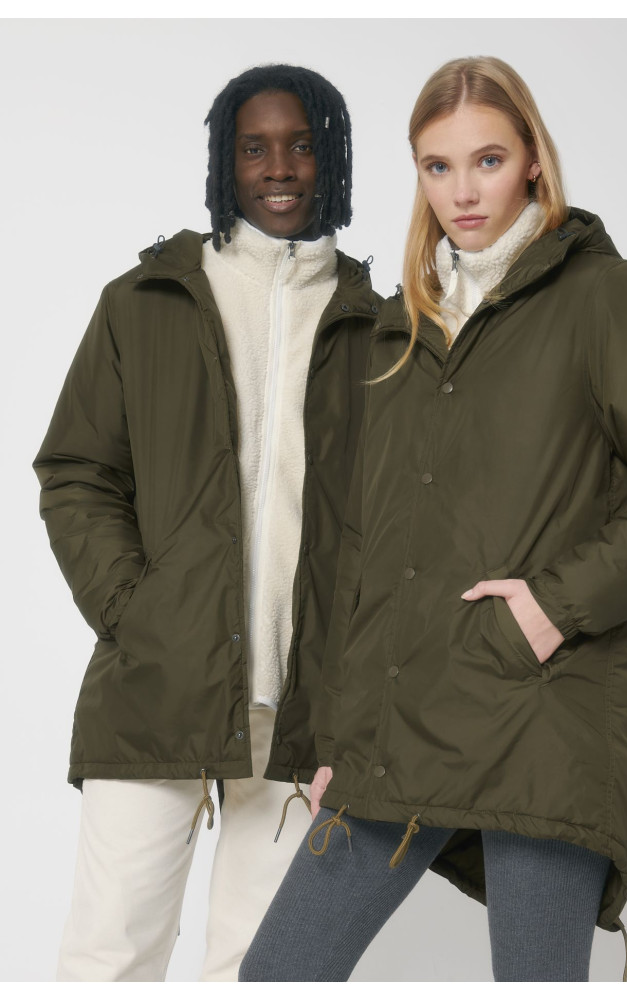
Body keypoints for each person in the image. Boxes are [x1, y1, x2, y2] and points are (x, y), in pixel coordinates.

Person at [238, 56, 627, 983]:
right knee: (278, 973)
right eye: (437, 166)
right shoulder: (399, 327)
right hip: (398, 720)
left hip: (537, 719)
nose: (463, 192)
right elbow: (358, 548)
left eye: (487, 160)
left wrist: (551, 606)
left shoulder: (598, 296)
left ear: (532, 163)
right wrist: (331, 737)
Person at [33, 64, 380, 982]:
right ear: (225, 162)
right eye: (254, 147)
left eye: (301, 145)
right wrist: (135, 614)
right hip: (158, 684)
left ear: (333, 159)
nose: (279, 168)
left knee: (260, 971)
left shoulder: (379, 328)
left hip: (306, 708)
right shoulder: (143, 302)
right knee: (109, 957)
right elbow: (77, 471)